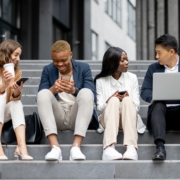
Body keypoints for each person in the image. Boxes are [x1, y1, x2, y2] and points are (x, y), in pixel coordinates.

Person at [37, 40, 99, 161]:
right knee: (44, 93)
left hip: (78, 115)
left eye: (63, 60)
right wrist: (53, 90)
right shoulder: (48, 70)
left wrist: (74, 91)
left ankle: (76, 147)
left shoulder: (83, 68)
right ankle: (55, 147)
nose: (60, 64)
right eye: (56, 61)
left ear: (71, 55)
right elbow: (40, 97)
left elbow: (93, 96)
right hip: (58, 115)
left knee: (86, 92)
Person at [95, 47, 141, 160]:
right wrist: (110, 99)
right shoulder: (100, 81)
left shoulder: (132, 78)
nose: (127, 62)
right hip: (108, 119)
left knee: (127, 100)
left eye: (127, 59)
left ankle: (131, 147)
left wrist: (127, 98)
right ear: (112, 62)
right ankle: (108, 148)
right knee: (114, 100)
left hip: (128, 118)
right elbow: (100, 108)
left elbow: (137, 106)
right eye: (122, 60)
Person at [141, 34, 180, 160]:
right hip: (161, 116)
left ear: (171, 52)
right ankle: (160, 148)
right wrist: (157, 96)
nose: (156, 57)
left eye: (159, 53)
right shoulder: (153, 68)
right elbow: (145, 91)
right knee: (158, 104)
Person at [0, 39, 33, 160]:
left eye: (19, 55)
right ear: (6, 53)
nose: (18, 59)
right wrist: (4, 84)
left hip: (4, 111)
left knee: (16, 103)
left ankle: (21, 146)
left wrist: (17, 91)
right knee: (1, 96)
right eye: (16, 55)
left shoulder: (16, 72)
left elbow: (12, 98)